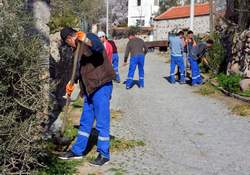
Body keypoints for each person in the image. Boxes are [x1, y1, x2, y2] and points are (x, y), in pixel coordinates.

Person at [58, 27, 115, 166]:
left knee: (102, 121)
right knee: (85, 121)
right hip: (89, 89)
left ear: (70, 38)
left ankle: (104, 154)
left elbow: (98, 48)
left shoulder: (88, 36)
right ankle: (77, 151)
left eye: (68, 43)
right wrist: (71, 84)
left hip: (101, 85)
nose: (69, 45)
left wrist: (86, 40)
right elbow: (78, 70)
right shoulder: (76, 49)